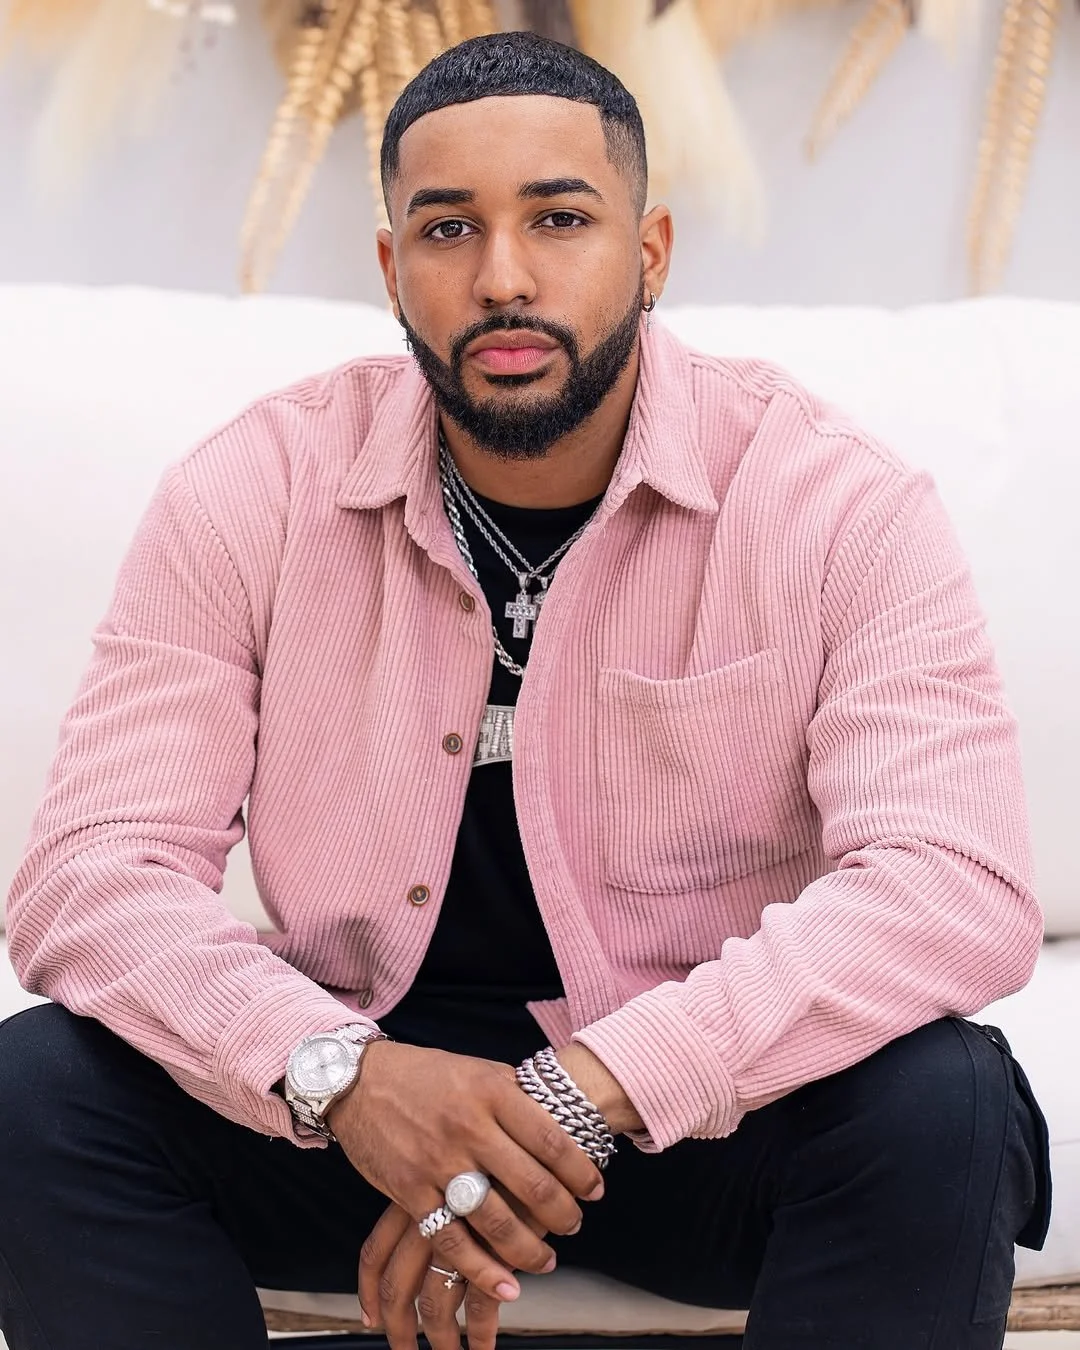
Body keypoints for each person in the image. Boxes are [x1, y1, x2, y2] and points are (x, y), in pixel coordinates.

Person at [0, 30, 1051, 1350]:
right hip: (364, 1101)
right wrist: (347, 1080)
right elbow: (90, 874)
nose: (503, 277)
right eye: (448, 229)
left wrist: (578, 1096)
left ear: (651, 252)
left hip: (698, 1109)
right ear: (391, 270)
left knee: (948, 1099)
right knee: (35, 1087)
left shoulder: (836, 503)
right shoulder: (252, 490)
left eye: (560, 218)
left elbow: (952, 884)